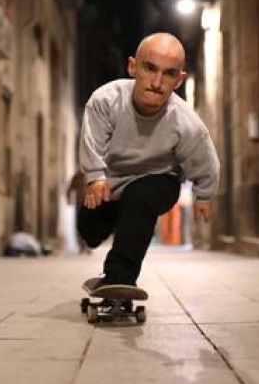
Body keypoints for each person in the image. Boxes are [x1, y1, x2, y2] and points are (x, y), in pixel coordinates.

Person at [78, 32, 220, 290]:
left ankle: (120, 277)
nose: (157, 82)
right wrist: (95, 177)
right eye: (149, 68)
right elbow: (92, 141)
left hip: (159, 180)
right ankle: (104, 225)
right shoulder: (105, 100)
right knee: (89, 231)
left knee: (140, 197)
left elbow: (204, 159)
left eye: (169, 74)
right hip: (110, 182)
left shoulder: (186, 123)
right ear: (133, 66)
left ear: (179, 80)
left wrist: (204, 195)